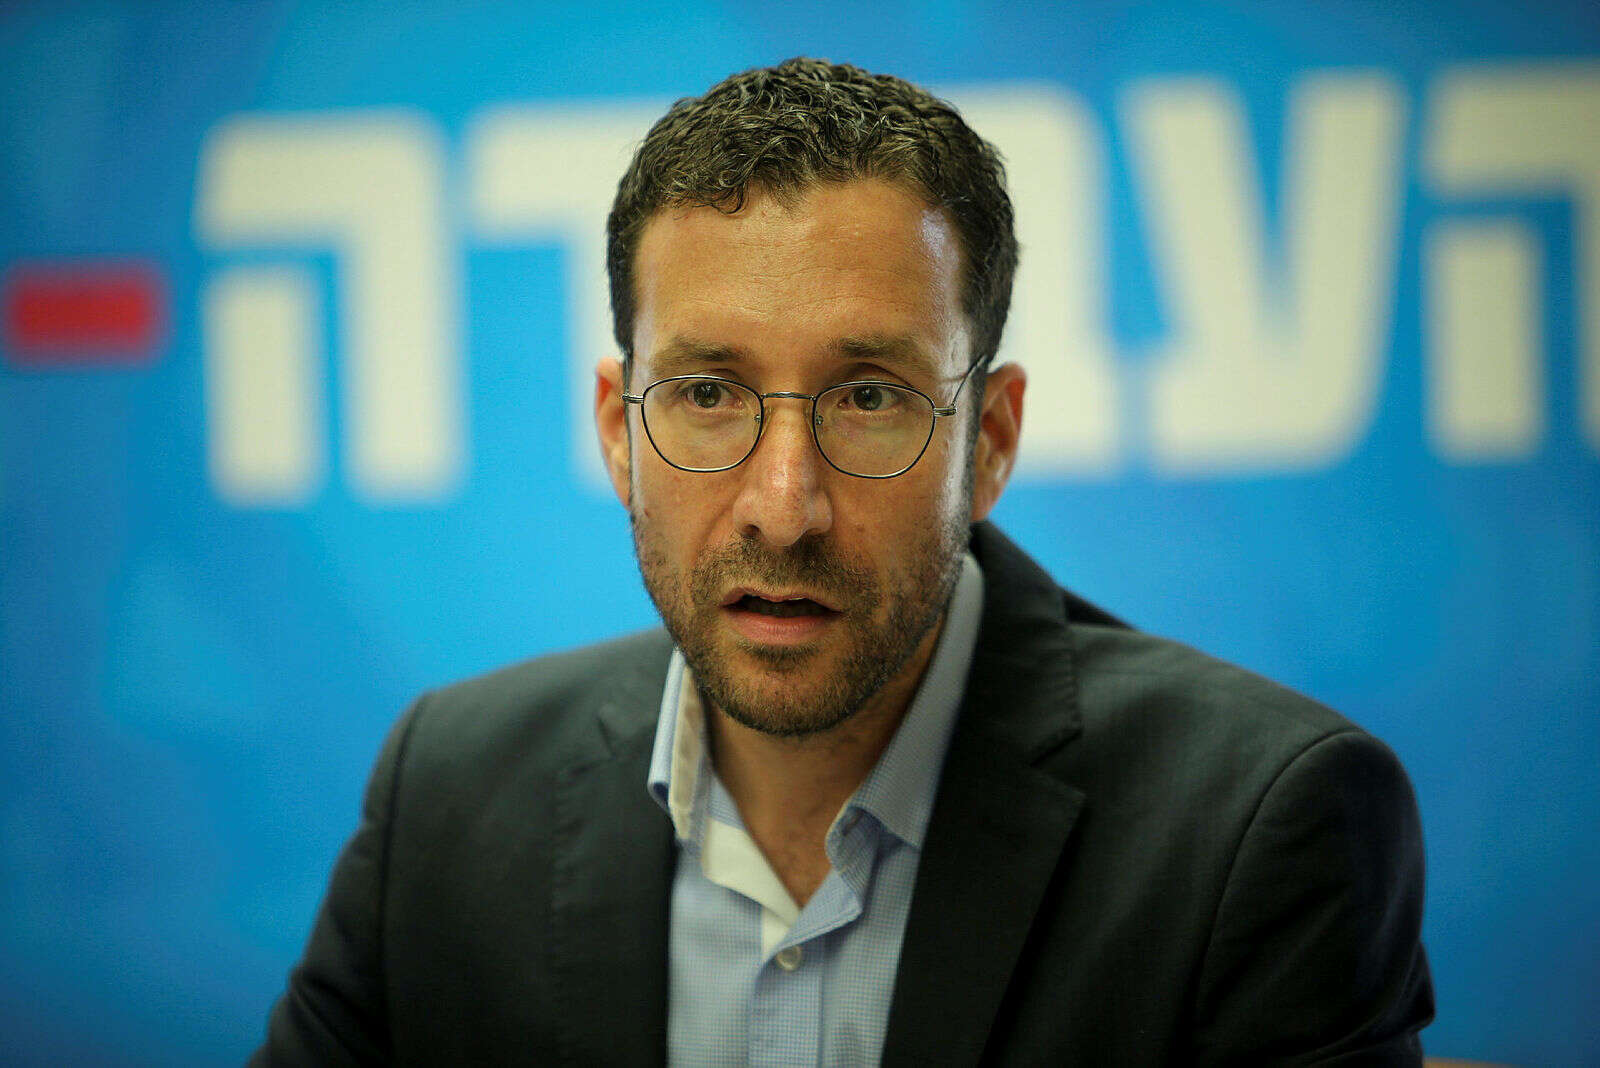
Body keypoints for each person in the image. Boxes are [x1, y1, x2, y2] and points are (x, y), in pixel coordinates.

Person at [253, 58, 1433, 1065]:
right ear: (618, 431)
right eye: (707, 393)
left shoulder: (1257, 831)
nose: (783, 508)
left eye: (868, 397)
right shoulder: (448, 803)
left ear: (991, 441)